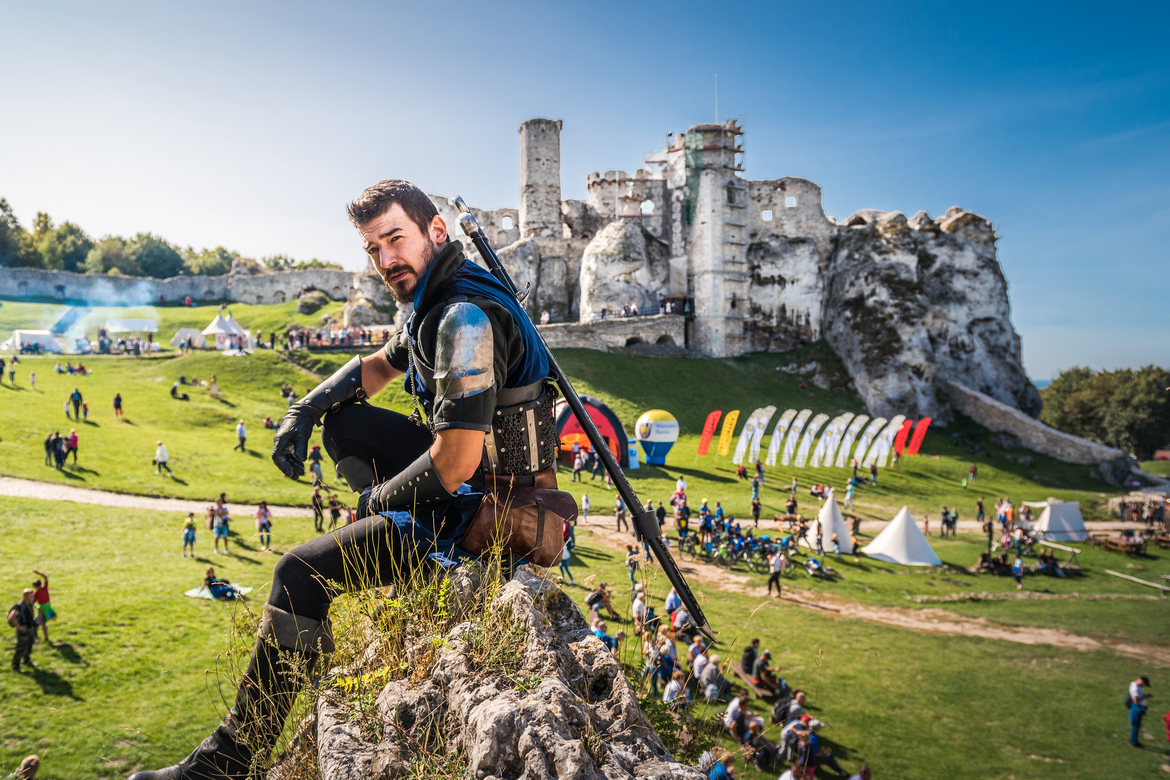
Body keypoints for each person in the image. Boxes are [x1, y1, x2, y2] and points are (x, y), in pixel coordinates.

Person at [135, 180, 580, 779]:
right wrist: (306, 409)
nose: (385, 259)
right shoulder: (435, 296)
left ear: (436, 233)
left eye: (395, 239)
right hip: (474, 490)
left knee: (299, 571)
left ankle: (230, 759)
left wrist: (379, 499)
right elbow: (379, 365)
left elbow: (453, 464)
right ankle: (406, 544)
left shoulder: (463, 318)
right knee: (343, 427)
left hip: (503, 515)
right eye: (373, 249)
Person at [8, 589, 36, 672]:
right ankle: (15, 666)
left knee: (29, 645)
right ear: (25, 596)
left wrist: (40, 607)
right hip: (23, 631)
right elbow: (11, 618)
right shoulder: (19, 606)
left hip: (30, 628)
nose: (32, 597)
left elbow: (35, 607)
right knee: (20, 648)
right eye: (30, 596)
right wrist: (19, 626)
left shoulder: (29, 604)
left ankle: (26, 661)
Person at [31, 571, 54, 644]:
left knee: (42, 623)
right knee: (36, 621)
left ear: (34, 586)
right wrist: (38, 573)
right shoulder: (45, 588)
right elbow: (45, 577)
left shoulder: (36, 593)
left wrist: (34, 607)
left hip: (42, 609)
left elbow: (33, 603)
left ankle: (46, 638)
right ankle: (35, 634)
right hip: (47, 607)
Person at [1129, 675, 1152, 747]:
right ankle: (1134, 742)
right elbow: (1136, 701)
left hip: (1137, 707)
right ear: (1142, 682)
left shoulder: (1133, 684)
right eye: (1145, 684)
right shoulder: (1135, 688)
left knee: (1135, 725)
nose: (1144, 686)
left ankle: (1132, 739)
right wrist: (1145, 697)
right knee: (1136, 725)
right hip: (1137, 707)